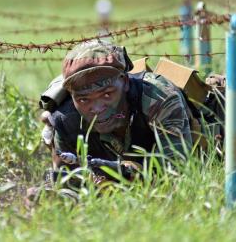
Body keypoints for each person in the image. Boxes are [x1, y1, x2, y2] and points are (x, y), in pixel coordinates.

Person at [40, 40, 194, 182]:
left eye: (107, 94)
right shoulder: (65, 119)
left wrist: (125, 174)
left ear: (125, 82)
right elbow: (68, 184)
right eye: (83, 99)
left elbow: (177, 174)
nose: (97, 108)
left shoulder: (158, 99)